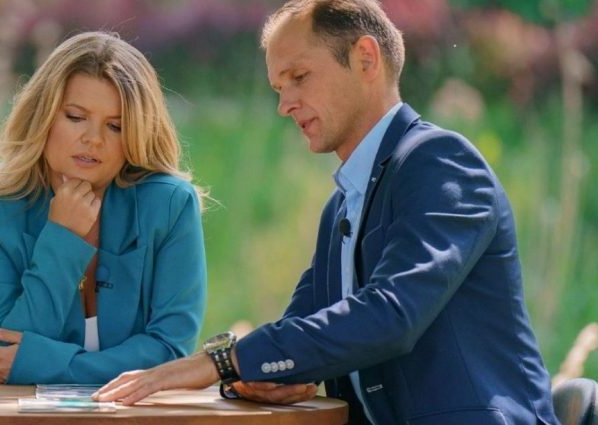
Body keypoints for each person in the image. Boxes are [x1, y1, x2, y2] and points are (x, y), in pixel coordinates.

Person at [94, 1, 560, 424]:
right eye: (278, 88)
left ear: (366, 59)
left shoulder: (438, 162)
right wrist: (260, 377)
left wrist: (221, 362)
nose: (284, 105)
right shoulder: (340, 207)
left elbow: (391, 315)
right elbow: (303, 332)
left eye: (299, 77)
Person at [0, 31, 206, 385]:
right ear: (43, 115)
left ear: (135, 133)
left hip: (137, 414)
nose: (94, 139)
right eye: (76, 117)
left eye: (115, 126)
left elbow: (170, 351)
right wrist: (63, 237)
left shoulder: (169, 205)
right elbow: (3, 354)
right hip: (16, 411)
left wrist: (53, 365)